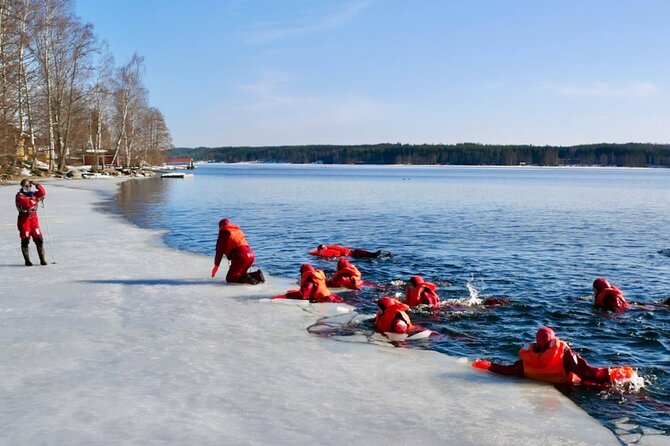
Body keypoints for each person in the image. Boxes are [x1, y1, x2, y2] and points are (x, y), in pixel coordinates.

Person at [472, 327, 617, 385]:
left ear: (536, 341)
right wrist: (614, 374)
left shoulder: (527, 361)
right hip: (571, 387)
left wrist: (486, 364)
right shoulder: (564, 355)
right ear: (554, 340)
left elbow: (507, 370)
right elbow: (587, 373)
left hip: (547, 388)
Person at [212, 218, 264, 285]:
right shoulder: (237, 231)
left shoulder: (224, 232)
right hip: (251, 254)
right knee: (240, 273)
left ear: (220, 226)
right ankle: (256, 275)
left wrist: (216, 265)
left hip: (240, 255)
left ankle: (249, 278)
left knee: (230, 278)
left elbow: (219, 250)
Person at [16, 179, 47, 266]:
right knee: (25, 239)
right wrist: (37, 199)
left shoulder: (33, 194)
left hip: (33, 219)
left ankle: (42, 259)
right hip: (24, 219)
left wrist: (37, 185)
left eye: (30, 186)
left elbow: (42, 193)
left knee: (39, 239)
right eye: (26, 186)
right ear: (22, 186)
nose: (28, 187)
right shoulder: (19, 196)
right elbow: (27, 203)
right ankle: (27, 261)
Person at [272, 264, 342, 303]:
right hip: (330, 297)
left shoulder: (310, 280)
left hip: (326, 300)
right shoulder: (316, 276)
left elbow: (303, 295)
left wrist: (284, 296)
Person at [309, 244, 382, 259]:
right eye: (323, 247)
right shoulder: (322, 253)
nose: (325, 247)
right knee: (359, 253)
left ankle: (373, 255)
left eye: (325, 246)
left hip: (350, 253)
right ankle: (373, 255)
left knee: (358, 251)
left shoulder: (328, 248)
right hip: (349, 256)